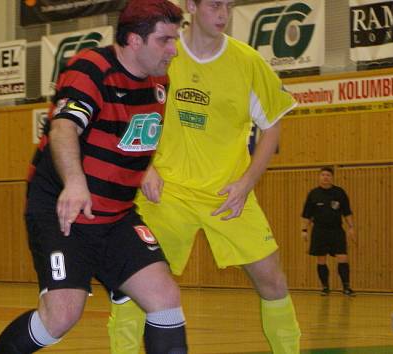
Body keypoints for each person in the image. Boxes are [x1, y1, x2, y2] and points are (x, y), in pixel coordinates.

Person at [0, 1, 187, 353]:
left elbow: (129, 132)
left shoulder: (159, 81)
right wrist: (75, 181)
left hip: (116, 215)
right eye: (164, 40)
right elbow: (64, 127)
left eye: (175, 39)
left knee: (165, 297)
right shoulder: (91, 68)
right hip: (63, 211)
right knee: (61, 316)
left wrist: (147, 168)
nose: (174, 49)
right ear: (133, 40)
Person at [107, 0, 301, 353]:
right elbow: (125, 107)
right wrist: (145, 168)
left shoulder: (248, 63)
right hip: (166, 193)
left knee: (272, 280)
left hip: (226, 193)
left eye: (228, 5)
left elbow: (272, 126)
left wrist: (246, 183)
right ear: (191, 6)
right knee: (134, 283)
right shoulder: (163, 54)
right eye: (214, 5)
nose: (223, 14)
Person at [300, 166, 356, 296]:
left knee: (342, 257)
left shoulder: (339, 193)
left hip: (336, 231)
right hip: (319, 231)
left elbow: (347, 212)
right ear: (319, 177)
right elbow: (306, 215)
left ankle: (346, 287)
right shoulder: (313, 194)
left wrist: (351, 227)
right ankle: (325, 287)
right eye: (323, 175)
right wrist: (304, 230)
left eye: (328, 175)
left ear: (332, 178)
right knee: (321, 259)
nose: (325, 177)